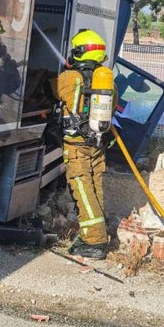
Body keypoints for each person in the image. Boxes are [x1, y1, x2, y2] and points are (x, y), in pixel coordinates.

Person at [51, 29, 117, 260]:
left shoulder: (69, 78)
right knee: (95, 187)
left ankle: (94, 241)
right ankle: (99, 231)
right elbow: (114, 104)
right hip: (98, 144)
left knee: (82, 189)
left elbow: (54, 93)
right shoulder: (106, 79)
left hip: (76, 144)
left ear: (78, 52)